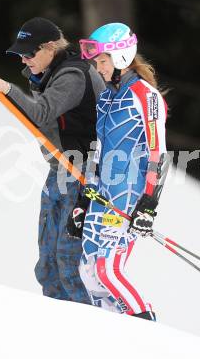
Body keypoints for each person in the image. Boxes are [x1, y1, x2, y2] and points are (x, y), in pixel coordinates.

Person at [0, 17, 105, 304]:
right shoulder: (44, 74)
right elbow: (41, 123)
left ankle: (93, 331)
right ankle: (54, 327)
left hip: (84, 174)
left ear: (50, 48)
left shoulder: (72, 74)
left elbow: (42, 114)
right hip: (58, 170)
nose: (25, 59)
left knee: (69, 264)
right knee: (47, 266)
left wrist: (8, 89)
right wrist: (4, 95)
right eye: (20, 54)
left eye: (29, 53)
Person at [68, 22, 168, 319]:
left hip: (129, 194)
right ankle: (115, 335)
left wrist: (148, 204)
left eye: (101, 61)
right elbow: (100, 150)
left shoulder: (145, 95)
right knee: (88, 271)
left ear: (121, 57)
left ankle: (146, 325)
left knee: (107, 270)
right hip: (102, 192)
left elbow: (158, 152)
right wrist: (83, 200)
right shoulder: (108, 96)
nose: (97, 68)